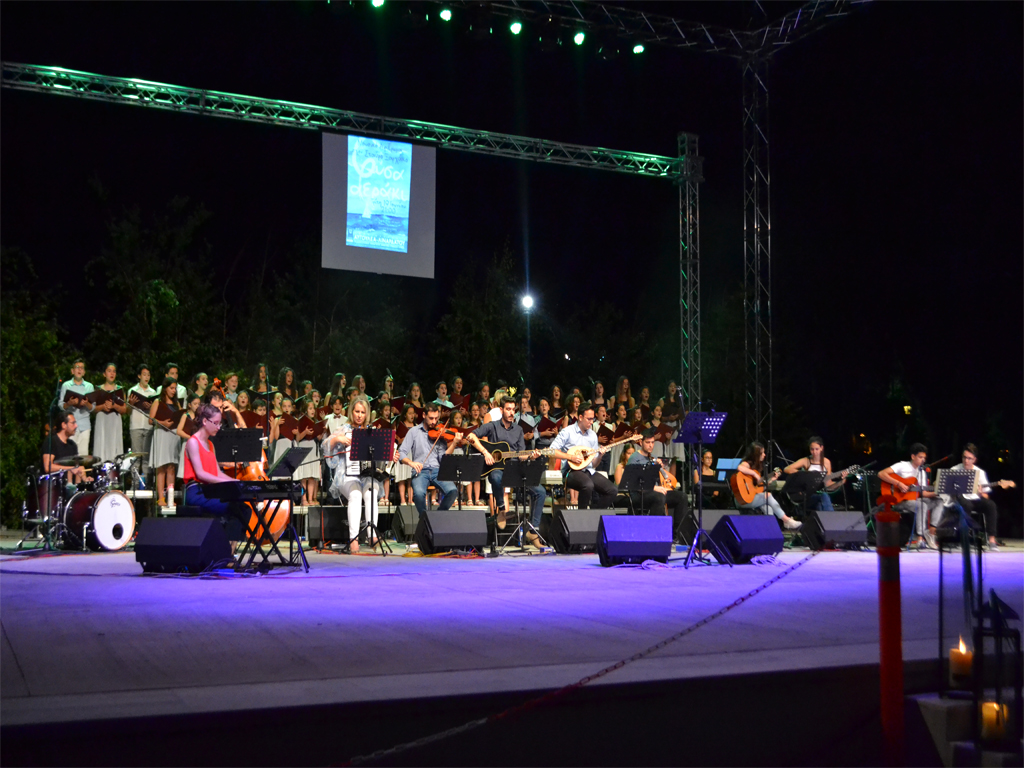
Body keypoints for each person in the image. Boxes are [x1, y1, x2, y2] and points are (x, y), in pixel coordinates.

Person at [465, 396, 547, 548]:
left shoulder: (519, 430)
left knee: (540, 492)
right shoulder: (493, 426)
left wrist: (531, 456)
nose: (511, 412)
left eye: (513, 409)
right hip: (498, 470)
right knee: (495, 476)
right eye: (508, 409)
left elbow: (521, 455)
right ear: (501, 410)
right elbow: (471, 436)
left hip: (516, 469)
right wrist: (486, 452)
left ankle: (533, 531)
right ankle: (502, 508)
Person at [321, 397, 387, 553]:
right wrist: (337, 439)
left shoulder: (371, 431)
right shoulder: (344, 429)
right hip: (347, 475)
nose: (359, 415)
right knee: (356, 494)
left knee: (371, 492)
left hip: (366, 475)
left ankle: (372, 534)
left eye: (363, 412)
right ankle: (354, 539)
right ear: (352, 412)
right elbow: (325, 446)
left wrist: (391, 454)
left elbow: (382, 454)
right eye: (357, 411)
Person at [182, 403, 248, 539]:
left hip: (211, 490)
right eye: (216, 423)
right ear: (205, 421)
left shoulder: (211, 444)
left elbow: (217, 473)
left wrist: (236, 481)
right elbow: (200, 474)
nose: (218, 427)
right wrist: (230, 484)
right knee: (234, 508)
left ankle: (229, 546)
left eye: (220, 423)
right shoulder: (193, 442)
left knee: (244, 508)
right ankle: (225, 547)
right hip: (197, 492)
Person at [397, 403, 461, 516]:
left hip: (437, 471)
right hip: (420, 471)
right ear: (424, 415)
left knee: (453, 491)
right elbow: (401, 452)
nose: (434, 422)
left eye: (436, 418)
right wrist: (411, 463)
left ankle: (438, 516)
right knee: (418, 493)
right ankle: (424, 518)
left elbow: (443, 458)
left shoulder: (439, 433)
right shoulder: (414, 432)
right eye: (431, 418)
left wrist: (454, 444)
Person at [549, 405, 618, 509]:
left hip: (588, 471)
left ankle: (593, 514)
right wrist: (570, 457)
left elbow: (594, 464)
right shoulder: (567, 432)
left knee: (612, 490)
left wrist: (600, 456)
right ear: (580, 417)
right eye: (589, 419)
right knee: (588, 485)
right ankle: (582, 514)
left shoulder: (593, 435)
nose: (591, 422)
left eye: (593, 419)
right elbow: (551, 451)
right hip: (571, 471)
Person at [878, 442, 945, 549]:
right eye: (920, 457)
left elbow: (923, 493)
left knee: (938, 501)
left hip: (913, 499)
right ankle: (920, 538)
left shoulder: (922, 472)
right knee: (921, 505)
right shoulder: (902, 465)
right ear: (913, 456)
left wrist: (937, 492)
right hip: (899, 500)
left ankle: (931, 532)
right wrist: (898, 483)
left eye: (924, 458)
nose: (923, 460)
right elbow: (881, 474)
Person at [625, 428, 689, 539]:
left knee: (682, 497)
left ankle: (676, 535)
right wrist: (654, 487)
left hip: (653, 491)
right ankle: (654, 535)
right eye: (647, 442)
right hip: (638, 494)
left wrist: (658, 469)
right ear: (641, 442)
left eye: (652, 442)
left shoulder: (653, 458)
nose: (651, 445)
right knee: (659, 497)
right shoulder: (634, 458)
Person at [733, 441, 802, 529]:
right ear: (756, 454)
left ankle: (770, 529)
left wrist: (771, 479)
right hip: (742, 500)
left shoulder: (757, 468)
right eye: (762, 453)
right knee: (768, 495)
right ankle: (786, 520)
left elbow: (759, 489)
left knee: (769, 508)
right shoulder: (747, 464)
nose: (764, 455)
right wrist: (754, 474)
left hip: (751, 498)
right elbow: (740, 467)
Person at [944, 443, 1000, 550]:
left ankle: (992, 540)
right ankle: (962, 539)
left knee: (991, 505)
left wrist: (980, 493)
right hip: (960, 499)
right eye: (964, 457)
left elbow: (986, 495)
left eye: (969, 458)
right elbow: (947, 488)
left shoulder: (980, 472)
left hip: (975, 499)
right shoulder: (955, 470)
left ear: (974, 460)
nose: (966, 461)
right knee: (966, 504)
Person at [783, 436, 848, 512]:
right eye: (812, 449)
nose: (814, 452)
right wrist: (806, 474)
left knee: (820, 503)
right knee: (823, 496)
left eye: (816, 449)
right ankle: (832, 517)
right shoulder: (806, 461)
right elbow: (786, 469)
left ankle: (824, 519)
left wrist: (840, 482)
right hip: (806, 496)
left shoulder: (826, 462)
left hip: (819, 496)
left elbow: (828, 485)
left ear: (821, 448)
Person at [149, 378, 182, 507]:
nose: (173, 391)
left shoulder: (176, 404)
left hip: (173, 435)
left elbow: (181, 418)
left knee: (171, 467)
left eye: (175, 388)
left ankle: (170, 498)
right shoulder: (158, 402)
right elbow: (151, 420)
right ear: (165, 388)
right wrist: (163, 423)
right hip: (161, 434)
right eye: (171, 388)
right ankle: (161, 498)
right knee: (161, 467)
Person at [41, 410, 88, 486]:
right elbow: (48, 467)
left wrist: (85, 479)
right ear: (63, 425)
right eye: (73, 423)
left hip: (70, 486)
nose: (76, 426)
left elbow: (77, 467)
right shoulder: (51, 442)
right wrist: (70, 468)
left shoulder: (72, 445)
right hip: (54, 486)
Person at [92, 362, 127, 462]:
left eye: (114, 371)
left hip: (115, 419)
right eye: (109, 371)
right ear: (104, 374)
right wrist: (102, 407)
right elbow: (93, 409)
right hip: (102, 419)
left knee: (114, 445)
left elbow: (124, 409)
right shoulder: (98, 389)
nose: (112, 373)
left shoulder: (119, 389)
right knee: (101, 444)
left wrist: (114, 406)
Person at [60, 358, 95, 455]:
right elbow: (60, 405)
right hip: (70, 425)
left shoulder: (89, 386)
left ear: (84, 372)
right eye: (77, 367)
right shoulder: (66, 385)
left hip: (85, 425)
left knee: (83, 455)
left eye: (82, 368)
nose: (79, 369)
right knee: (70, 455)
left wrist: (86, 404)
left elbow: (93, 407)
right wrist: (69, 403)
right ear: (72, 371)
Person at [128, 364, 157, 477]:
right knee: (135, 457)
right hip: (136, 426)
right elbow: (127, 411)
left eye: (148, 375)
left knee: (146, 457)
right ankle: (135, 483)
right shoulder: (132, 390)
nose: (146, 377)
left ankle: (146, 482)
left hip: (148, 426)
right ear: (139, 376)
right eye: (144, 374)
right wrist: (130, 404)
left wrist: (150, 407)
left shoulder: (153, 392)